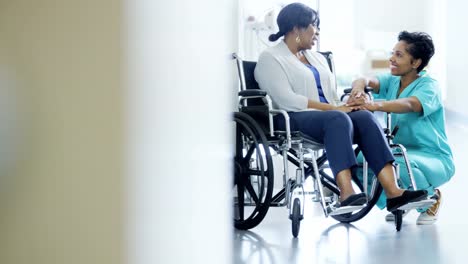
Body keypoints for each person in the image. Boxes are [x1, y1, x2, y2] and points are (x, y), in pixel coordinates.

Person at [254, 2, 427, 211]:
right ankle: (346, 193)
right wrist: (335, 110)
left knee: (363, 116)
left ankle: (394, 192)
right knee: (338, 118)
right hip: (292, 117)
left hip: (330, 118)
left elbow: (331, 97)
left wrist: (348, 103)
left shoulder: (316, 57)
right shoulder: (271, 58)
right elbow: (286, 99)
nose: (317, 31)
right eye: (313, 25)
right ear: (296, 28)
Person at [348, 31, 455, 224]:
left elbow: (410, 105)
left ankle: (431, 198)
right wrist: (358, 89)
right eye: (393, 53)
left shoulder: (430, 86)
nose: (392, 59)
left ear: (415, 63)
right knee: (359, 162)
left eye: (399, 55)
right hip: (401, 152)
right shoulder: (393, 80)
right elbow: (364, 78)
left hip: (432, 156)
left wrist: (376, 104)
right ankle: (398, 199)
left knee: (395, 163)